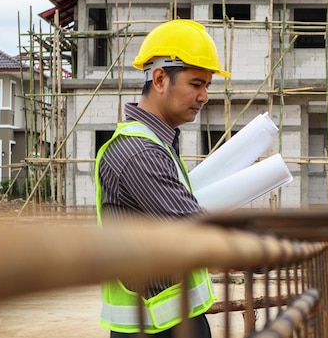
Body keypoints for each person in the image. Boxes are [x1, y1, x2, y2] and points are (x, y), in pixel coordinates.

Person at [94, 19, 232, 337]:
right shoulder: (140, 152)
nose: (204, 96)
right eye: (196, 84)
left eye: (208, 86)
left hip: (170, 318)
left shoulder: (157, 142)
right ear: (159, 79)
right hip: (156, 326)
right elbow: (195, 229)